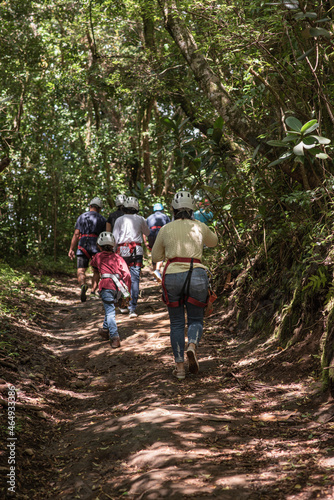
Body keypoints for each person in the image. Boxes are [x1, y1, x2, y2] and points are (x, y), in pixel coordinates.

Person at [151, 191, 218, 380]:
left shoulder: (165, 229)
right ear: (192, 209)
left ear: (173, 209)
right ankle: (192, 346)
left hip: (172, 275)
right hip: (196, 273)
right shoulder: (199, 226)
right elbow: (214, 243)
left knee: (177, 323)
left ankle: (180, 368)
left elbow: (156, 257)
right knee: (196, 319)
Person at [90, 232, 131, 348]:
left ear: (99, 245)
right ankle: (104, 330)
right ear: (113, 246)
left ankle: (115, 336)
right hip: (118, 287)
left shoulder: (97, 257)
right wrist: (127, 290)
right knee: (110, 309)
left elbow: (95, 272)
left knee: (110, 311)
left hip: (106, 286)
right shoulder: (118, 258)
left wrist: (93, 288)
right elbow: (127, 274)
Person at [113, 196, 150, 318]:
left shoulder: (119, 220)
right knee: (135, 279)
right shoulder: (140, 219)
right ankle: (132, 308)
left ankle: (123, 305)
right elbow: (147, 232)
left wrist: (113, 253)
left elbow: (114, 238)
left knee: (122, 277)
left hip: (122, 250)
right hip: (137, 251)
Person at [68, 196, 106, 302]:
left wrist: (71, 249)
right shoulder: (102, 219)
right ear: (100, 208)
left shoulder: (81, 217)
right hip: (96, 246)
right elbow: (105, 235)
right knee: (96, 271)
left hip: (82, 245)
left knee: (81, 270)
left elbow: (76, 234)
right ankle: (93, 291)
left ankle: (83, 285)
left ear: (90, 206)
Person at [144, 202, 170, 281]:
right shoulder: (165, 216)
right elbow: (169, 229)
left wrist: (145, 242)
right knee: (161, 252)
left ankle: (156, 275)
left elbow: (144, 231)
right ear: (162, 209)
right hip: (160, 234)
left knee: (154, 252)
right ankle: (157, 271)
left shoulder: (149, 218)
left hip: (151, 234)